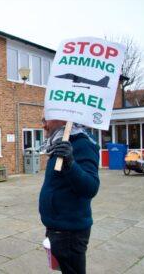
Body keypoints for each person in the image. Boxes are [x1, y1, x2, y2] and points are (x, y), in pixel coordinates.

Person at [39, 112, 100, 274]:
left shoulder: (83, 143)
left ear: (64, 117)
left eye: (46, 119)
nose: (43, 124)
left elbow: (91, 188)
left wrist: (70, 163)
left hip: (70, 233)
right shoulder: (59, 141)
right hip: (57, 229)